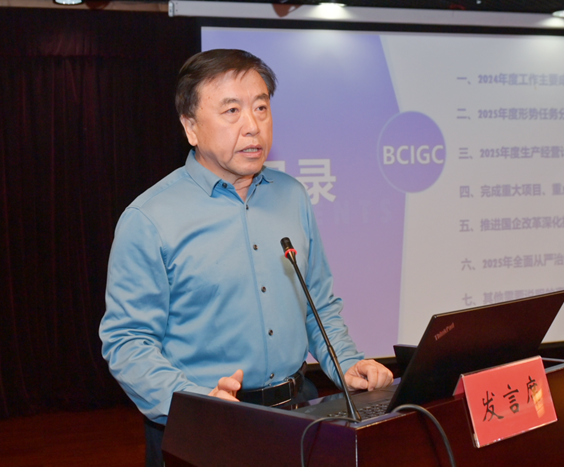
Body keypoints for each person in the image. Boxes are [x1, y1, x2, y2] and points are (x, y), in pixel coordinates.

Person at [98, 49, 393, 466]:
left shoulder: (292, 196)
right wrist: (197, 403)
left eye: (261, 107)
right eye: (232, 110)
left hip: (299, 416)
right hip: (202, 430)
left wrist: (346, 363)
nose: (253, 125)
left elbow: (319, 304)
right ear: (190, 127)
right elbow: (128, 342)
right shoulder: (149, 218)